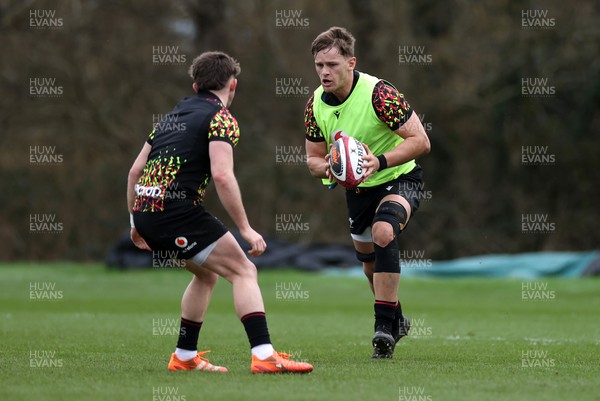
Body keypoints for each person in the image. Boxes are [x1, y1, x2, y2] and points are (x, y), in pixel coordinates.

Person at [127, 51, 312, 374]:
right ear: (233, 85)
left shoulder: (170, 116)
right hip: (174, 212)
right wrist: (246, 229)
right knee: (243, 271)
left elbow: (134, 171)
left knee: (206, 273)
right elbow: (223, 176)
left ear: (195, 84)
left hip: (147, 209)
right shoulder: (221, 118)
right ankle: (264, 355)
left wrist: (135, 220)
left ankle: (184, 357)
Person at [304, 27, 431, 358]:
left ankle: (382, 330)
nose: (324, 72)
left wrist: (380, 161)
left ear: (351, 62)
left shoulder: (379, 94)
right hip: (358, 191)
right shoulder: (315, 105)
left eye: (332, 64)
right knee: (369, 267)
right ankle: (397, 319)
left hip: (399, 177)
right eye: (319, 65)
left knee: (384, 231)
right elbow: (313, 159)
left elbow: (421, 141)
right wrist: (330, 167)